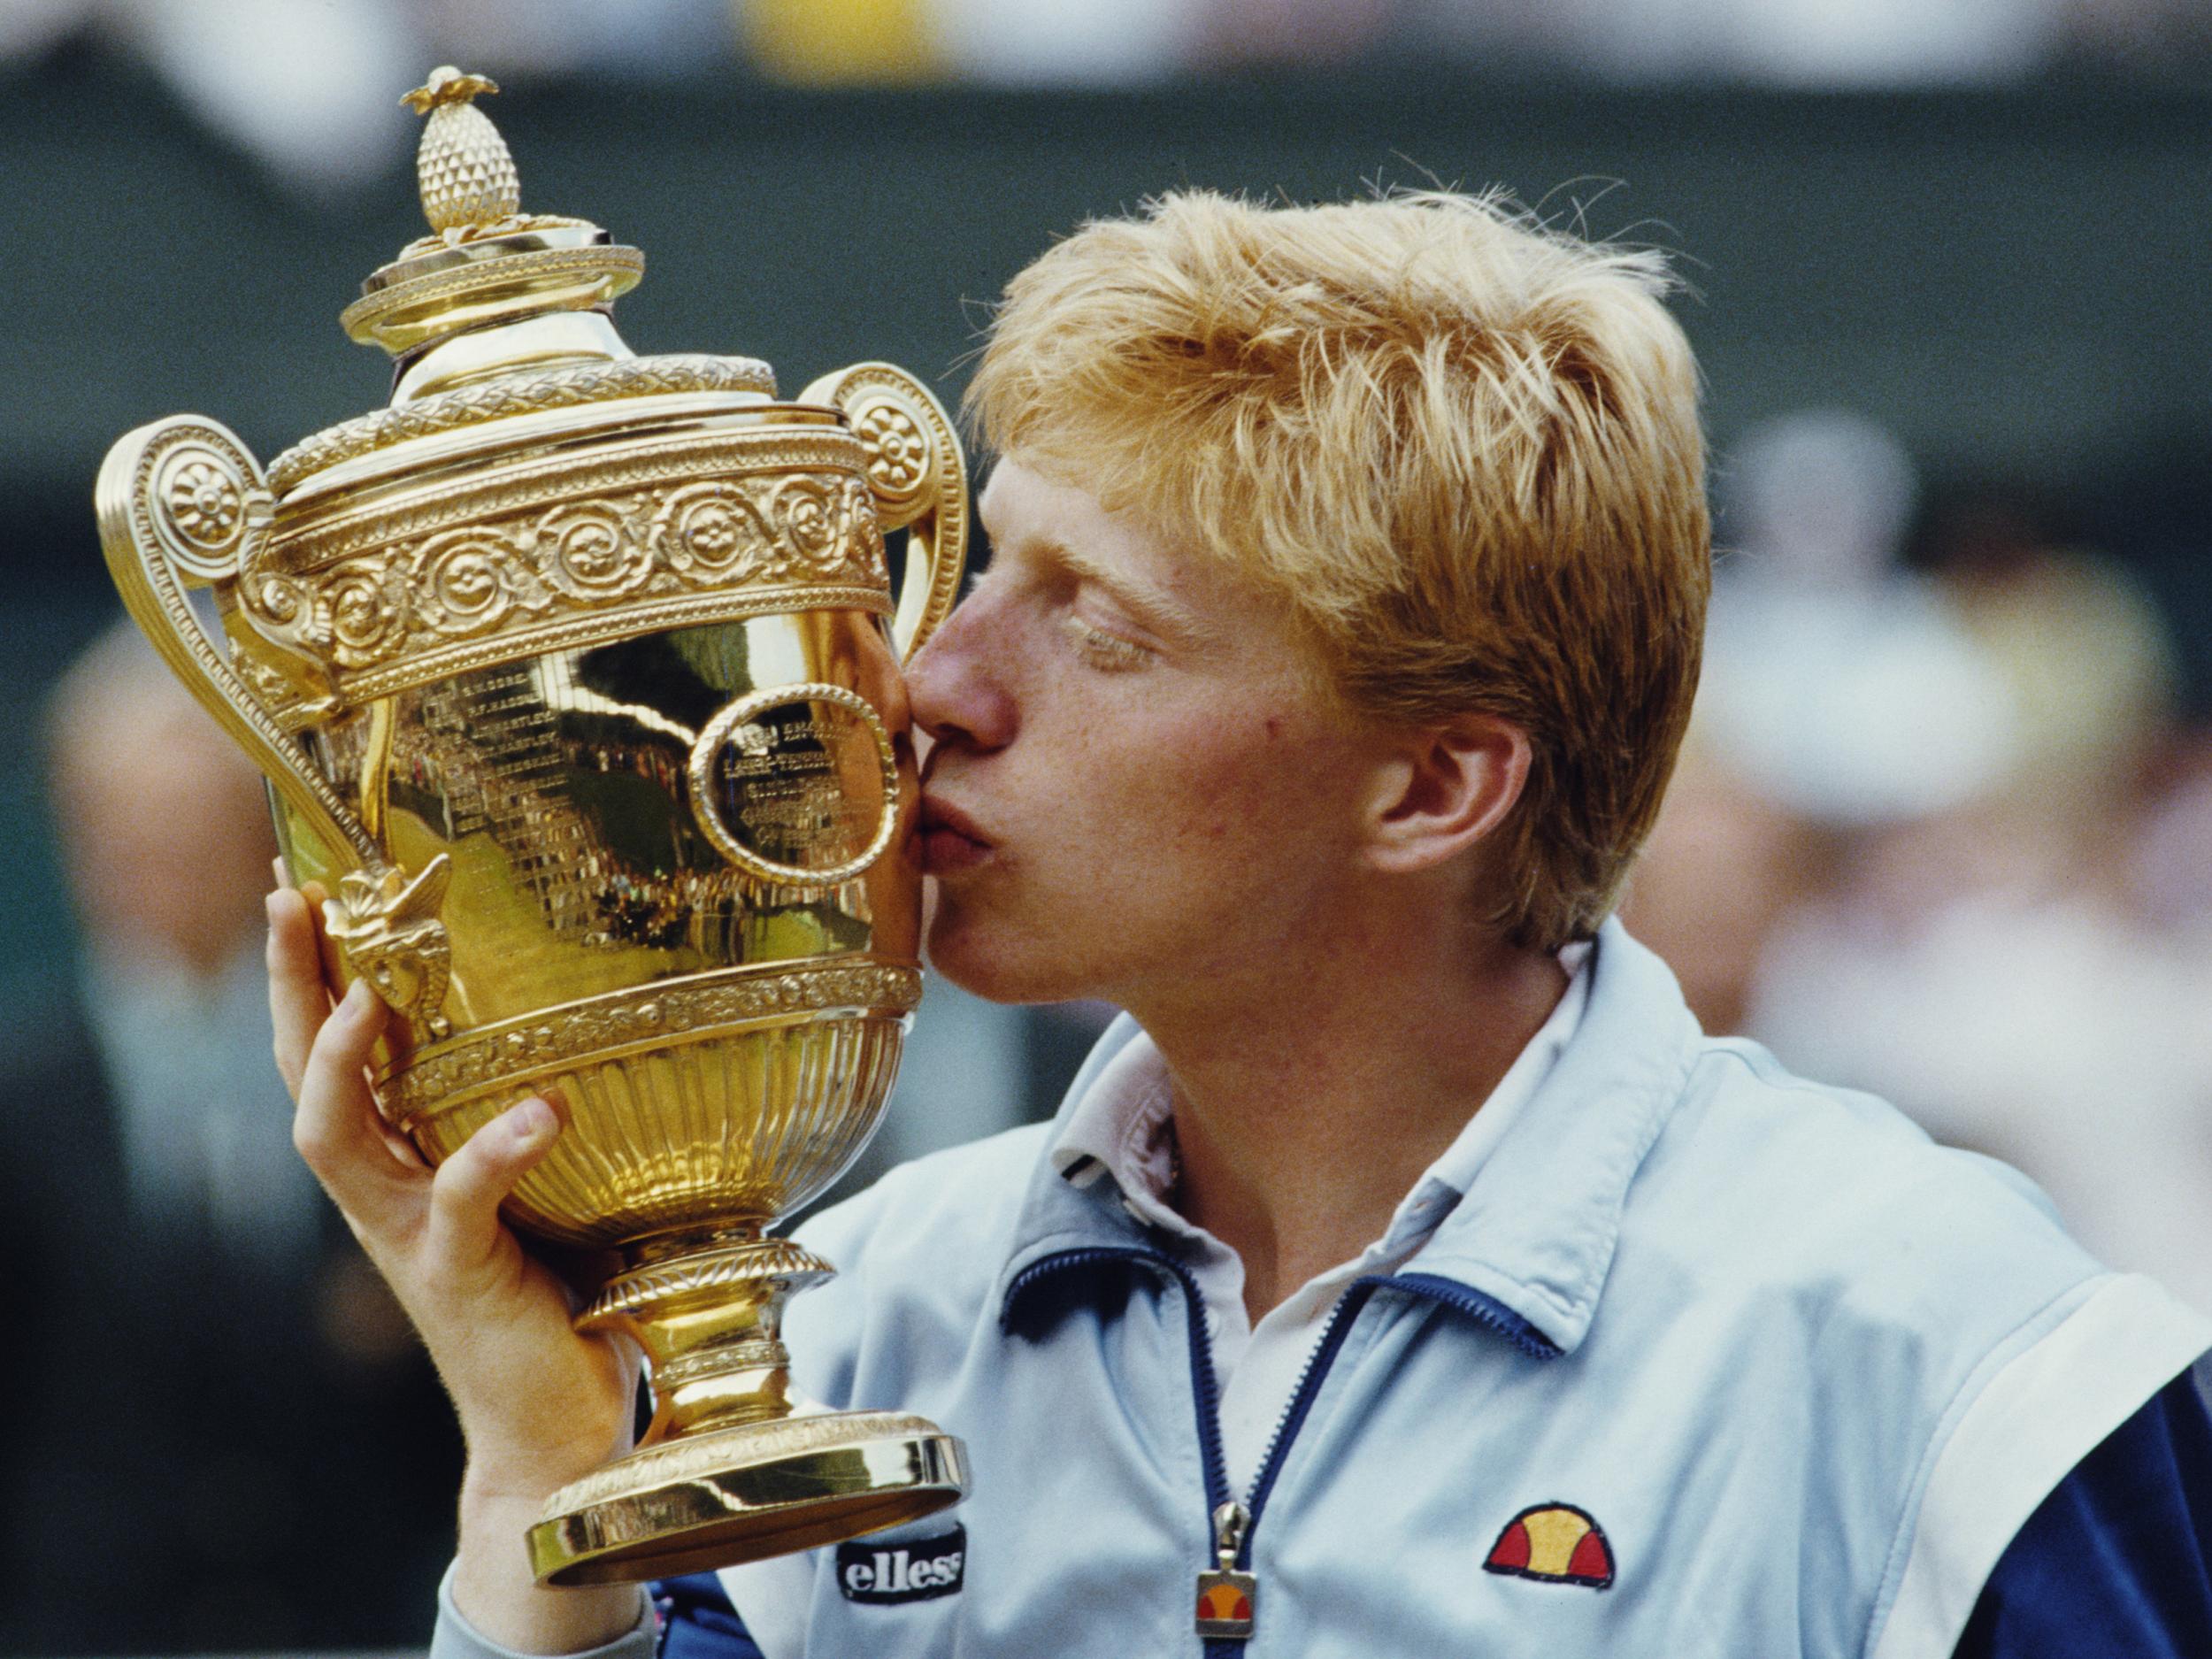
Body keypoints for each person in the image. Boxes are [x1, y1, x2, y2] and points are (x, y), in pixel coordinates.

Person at [267, 190, 2212, 1659]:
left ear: (1432, 786)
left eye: (1094, 625)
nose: (930, 679)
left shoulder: (1952, 1353)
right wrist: (540, 1474)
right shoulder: (843, 1325)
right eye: (974, 568)